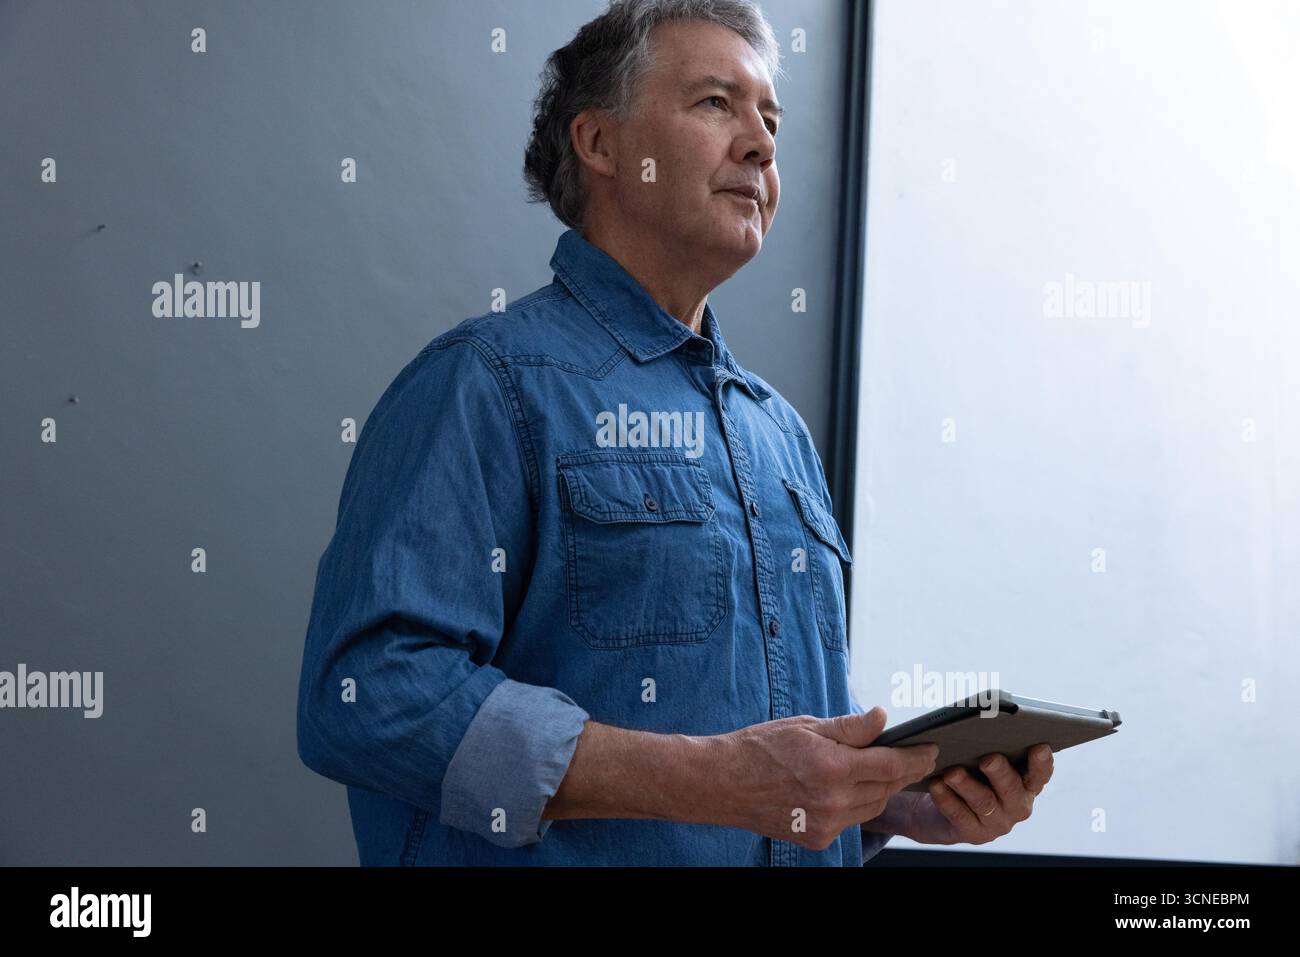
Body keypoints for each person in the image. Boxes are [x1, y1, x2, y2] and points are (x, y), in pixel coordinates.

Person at [296, 0, 1053, 866]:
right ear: (601, 144)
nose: (763, 145)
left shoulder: (781, 436)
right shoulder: (484, 383)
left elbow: (772, 771)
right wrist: (710, 780)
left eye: (771, 119)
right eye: (715, 104)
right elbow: (364, 697)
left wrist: (887, 803)